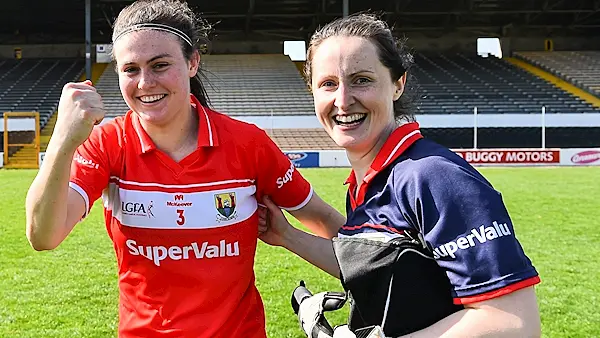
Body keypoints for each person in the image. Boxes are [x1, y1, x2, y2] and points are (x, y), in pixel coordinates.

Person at [24, 0, 344, 337]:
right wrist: (62, 139)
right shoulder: (107, 144)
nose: (145, 82)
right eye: (130, 69)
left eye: (160, 65)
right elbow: (43, 235)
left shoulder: (247, 144)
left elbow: (323, 219)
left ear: (192, 62)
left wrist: (385, 269)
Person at [259, 13, 542, 338]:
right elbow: (378, 264)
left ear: (397, 84)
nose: (342, 100)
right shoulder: (368, 182)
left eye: (361, 80)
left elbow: (515, 323)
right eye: (328, 84)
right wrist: (287, 236)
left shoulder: (435, 177)